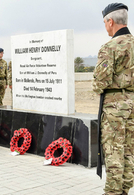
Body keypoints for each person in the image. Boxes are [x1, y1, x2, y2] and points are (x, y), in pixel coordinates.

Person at [92, 3, 134, 195]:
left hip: (114, 108)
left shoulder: (110, 47)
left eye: (104, 22)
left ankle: (113, 192)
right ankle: (125, 190)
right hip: (133, 103)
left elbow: (100, 82)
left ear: (110, 21)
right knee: (129, 150)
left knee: (113, 151)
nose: (105, 26)